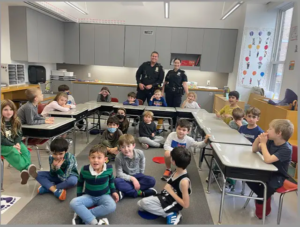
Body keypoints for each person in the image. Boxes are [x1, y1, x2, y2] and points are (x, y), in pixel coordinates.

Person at [247, 119, 294, 219]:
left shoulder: (286, 149)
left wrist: (263, 144)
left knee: (265, 190)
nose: (267, 130)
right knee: (247, 176)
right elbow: (254, 149)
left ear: (279, 133)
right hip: (266, 171)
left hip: (278, 175)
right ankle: (264, 197)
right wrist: (258, 140)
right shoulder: (271, 142)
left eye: (270, 129)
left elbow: (268, 160)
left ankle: (263, 210)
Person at [138, 147, 192, 225]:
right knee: (141, 205)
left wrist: (170, 191)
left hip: (174, 203)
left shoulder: (184, 182)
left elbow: (186, 204)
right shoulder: (177, 170)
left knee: (142, 203)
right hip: (166, 196)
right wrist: (168, 189)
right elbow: (169, 185)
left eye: (171, 157)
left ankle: (171, 213)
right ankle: (167, 211)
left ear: (173, 162)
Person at [70, 144, 119, 225]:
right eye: (93, 157)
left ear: (105, 159)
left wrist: (113, 191)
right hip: (89, 196)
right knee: (73, 202)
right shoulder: (84, 170)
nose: (95, 160)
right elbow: (80, 183)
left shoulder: (109, 168)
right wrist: (79, 196)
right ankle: (95, 223)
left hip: (104, 195)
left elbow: (111, 180)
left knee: (112, 206)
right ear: (89, 158)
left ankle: (83, 216)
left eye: (99, 157)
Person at [1, 99, 38, 184]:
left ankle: (25, 171)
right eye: (5, 109)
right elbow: (1, 139)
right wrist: (13, 146)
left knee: (25, 150)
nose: (9, 112)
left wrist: (17, 143)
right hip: (2, 145)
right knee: (14, 152)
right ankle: (27, 168)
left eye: (11, 109)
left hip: (13, 143)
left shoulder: (16, 121)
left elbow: (19, 134)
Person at [115, 134, 157, 199]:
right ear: (120, 148)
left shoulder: (140, 153)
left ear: (133, 145)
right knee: (116, 181)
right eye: (123, 147)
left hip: (138, 175)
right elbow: (119, 173)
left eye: (128, 146)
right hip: (125, 178)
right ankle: (140, 193)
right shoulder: (118, 157)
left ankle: (124, 192)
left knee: (152, 180)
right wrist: (132, 179)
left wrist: (141, 172)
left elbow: (142, 161)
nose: (126, 149)